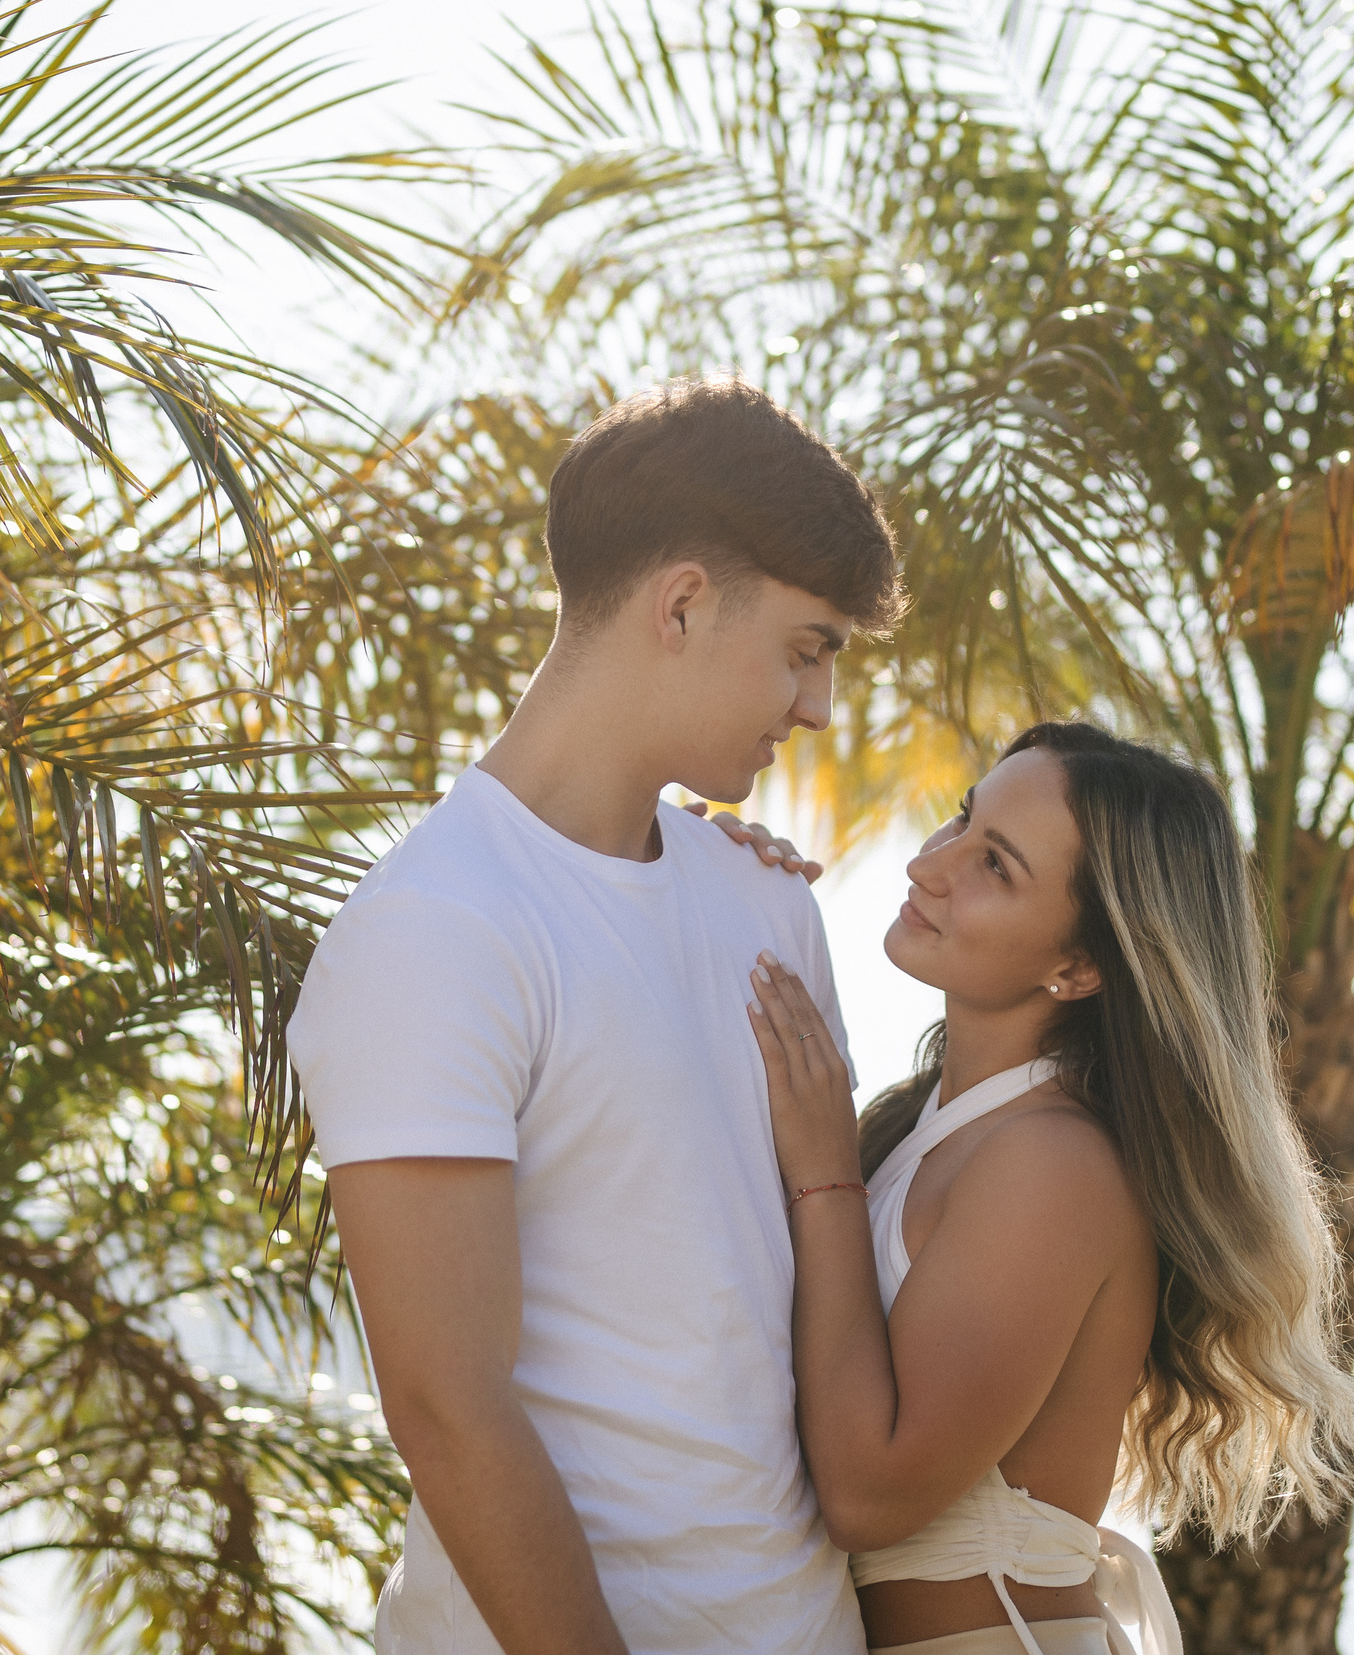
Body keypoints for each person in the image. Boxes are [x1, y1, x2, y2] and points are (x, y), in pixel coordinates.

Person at [286, 377, 904, 1655]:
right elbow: (446, 1408)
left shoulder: (768, 907)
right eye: (806, 650)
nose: (818, 711)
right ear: (679, 604)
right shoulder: (437, 928)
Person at [715, 723, 1354, 1655]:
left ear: (1080, 966)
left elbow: (869, 1493)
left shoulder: (1053, 1165)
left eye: (995, 863)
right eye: (959, 820)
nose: (929, 863)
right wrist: (720, 894)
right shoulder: (921, 1126)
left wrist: (825, 1171)